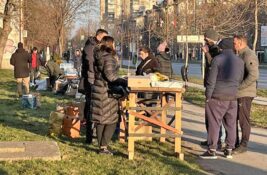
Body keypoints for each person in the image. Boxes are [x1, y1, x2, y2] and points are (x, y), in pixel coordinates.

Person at [200, 38, 244, 159]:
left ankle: (212, 150)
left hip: (217, 96)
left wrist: (208, 96)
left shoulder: (217, 60)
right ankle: (229, 149)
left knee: (214, 122)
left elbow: (211, 80)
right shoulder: (240, 61)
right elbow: (240, 79)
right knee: (231, 124)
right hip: (233, 97)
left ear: (222, 48)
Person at [91, 36, 127, 155]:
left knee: (101, 119)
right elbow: (111, 77)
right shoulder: (108, 57)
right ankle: (104, 147)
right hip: (107, 91)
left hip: (98, 88)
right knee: (112, 120)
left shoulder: (98, 55)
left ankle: (101, 147)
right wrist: (124, 81)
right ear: (110, 44)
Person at [81, 29, 108, 144]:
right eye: (105, 38)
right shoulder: (91, 46)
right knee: (91, 106)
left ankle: (93, 134)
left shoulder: (95, 45)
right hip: (91, 80)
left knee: (93, 106)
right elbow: (90, 62)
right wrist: (96, 74)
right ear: (99, 36)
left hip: (94, 79)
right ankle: (89, 135)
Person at [233, 34, 259, 154]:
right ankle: (235, 142)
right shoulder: (240, 54)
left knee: (243, 119)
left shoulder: (248, 55)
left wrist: (240, 87)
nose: (233, 46)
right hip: (239, 93)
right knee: (237, 118)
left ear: (241, 43)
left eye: (235, 43)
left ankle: (243, 144)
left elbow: (254, 75)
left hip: (245, 93)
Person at [201, 29, 226, 148]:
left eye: (205, 39)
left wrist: (206, 53)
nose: (204, 42)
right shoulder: (212, 49)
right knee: (209, 116)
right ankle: (210, 138)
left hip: (214, 87)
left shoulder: (215, 50)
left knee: (213, 116)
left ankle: (216, 141)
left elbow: (213, 65)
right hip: (209, 84)